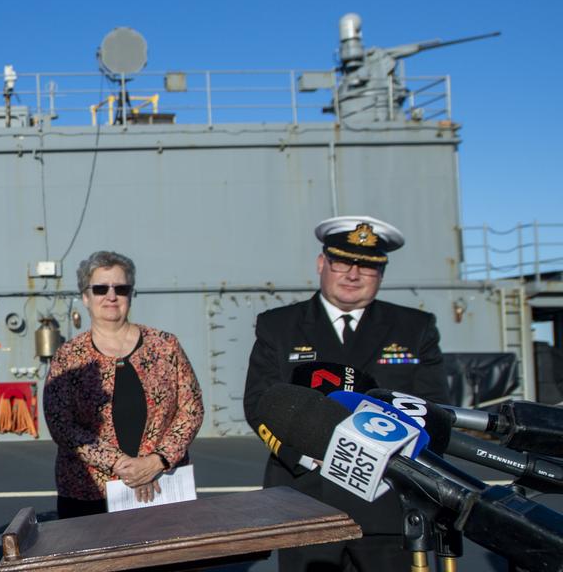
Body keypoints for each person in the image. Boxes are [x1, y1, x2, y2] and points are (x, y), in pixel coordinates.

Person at [243, 215, 451, 572]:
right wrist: (307, 456)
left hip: (387, 501)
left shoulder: (414, 328)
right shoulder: (278, 326)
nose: (353, 274)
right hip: (306, 497)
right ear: (322, 263)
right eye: (342, 261)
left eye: (368, 266)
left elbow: (431, 408)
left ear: (381, 274)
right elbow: (260, 404)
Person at [44, 251, 204, 518]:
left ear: (131, 294)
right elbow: (61, 424)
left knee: (164, 560)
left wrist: (157, 461)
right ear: (85, 296)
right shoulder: (69, 357)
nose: (111, 296)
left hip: (163, 485)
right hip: (89, 493)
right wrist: (119, 463)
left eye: (120, 288)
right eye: (100, 289)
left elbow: (192, 409)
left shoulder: (166, 346)